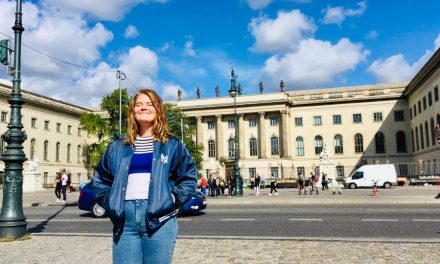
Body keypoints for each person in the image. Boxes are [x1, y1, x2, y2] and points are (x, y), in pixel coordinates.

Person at [93, 88, 197, 264]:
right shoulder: (117, 147)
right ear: (133, 111)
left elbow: (188, 177)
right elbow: (101, 179)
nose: (143, 108)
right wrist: (111, 202)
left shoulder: (172, 144)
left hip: (160, 221)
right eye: (139, 104)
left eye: (149, 104)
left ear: (158, 110)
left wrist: (171, 197)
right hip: (125, 223)